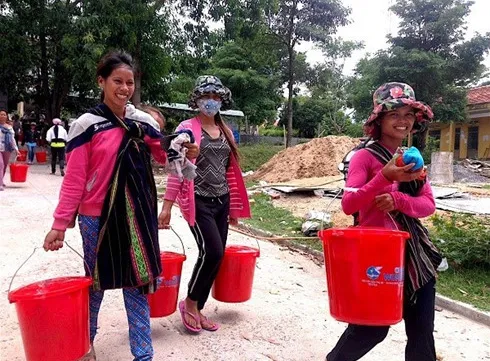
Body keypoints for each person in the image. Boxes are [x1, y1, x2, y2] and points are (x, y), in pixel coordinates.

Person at [42, 51, 198, 361]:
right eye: (117, 81)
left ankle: (143, 355)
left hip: (136, 217)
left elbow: (166, 156)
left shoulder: (141, 122)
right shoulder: (87, 125)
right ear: (101, 82)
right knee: (95, 284)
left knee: (138, 284)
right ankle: (84, 346)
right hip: (95, 218)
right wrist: (60, 224)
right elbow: (74, 180)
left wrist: (187, 149)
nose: (124, 88)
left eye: (129, 82)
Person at [326, 82, 442, 361]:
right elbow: (348, 205)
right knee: (371, 329)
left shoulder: (411, 159)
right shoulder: (363, 158)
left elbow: (427, 205)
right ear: (379, 120)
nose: (403, 121)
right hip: (376, 255)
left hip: (415, 256)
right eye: (394, 115)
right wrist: (385, 178)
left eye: (408, 115)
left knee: (421, 331)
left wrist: (400, 201)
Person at [160, 75, 251, 333]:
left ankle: (198, 307)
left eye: (215, 96)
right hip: (198, 199)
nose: (210, 101)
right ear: (196, 99)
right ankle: (189, 302)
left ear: (222, 99)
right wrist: (167, 206)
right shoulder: (187, 127)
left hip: (221, 200)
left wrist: (233, 208)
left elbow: (229, 170)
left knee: (217, 256)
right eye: (206, 96)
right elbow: (177, 169)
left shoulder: (225, 130)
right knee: (211, 251)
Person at [0, 109, 20, 191]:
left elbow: (12, 139)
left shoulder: (9, 127)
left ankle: (1, 179)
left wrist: (16, 149)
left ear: (6, 116)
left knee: (4, 166)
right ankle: (0, 183)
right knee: (0, 165)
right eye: (1, 114)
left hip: (7, 148)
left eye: (4, 114)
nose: (2, 116)